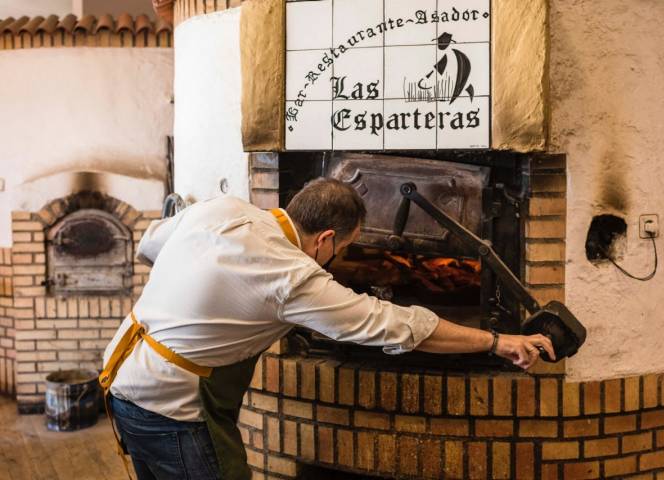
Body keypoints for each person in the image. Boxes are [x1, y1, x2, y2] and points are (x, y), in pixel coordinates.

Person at [101, 178, 554, 480]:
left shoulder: (221, 209)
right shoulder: (292, 277)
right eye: (345, 249)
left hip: (120, 377)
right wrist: (496, 340)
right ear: (325, 240)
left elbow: (150, 244)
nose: (338, 260)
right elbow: (393, 326)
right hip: (172, 409)